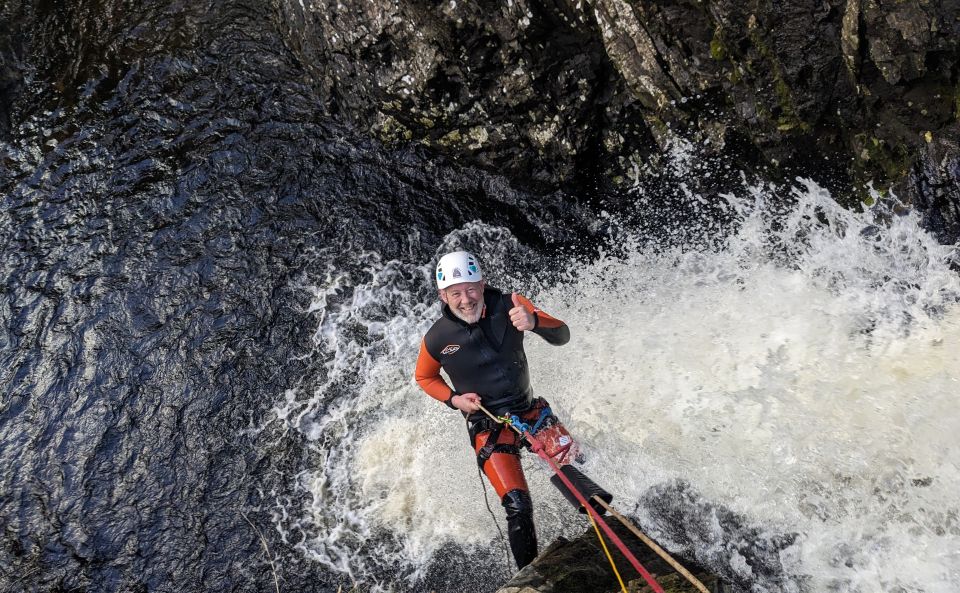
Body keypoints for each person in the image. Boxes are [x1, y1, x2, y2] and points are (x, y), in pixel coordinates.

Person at [413, 250, 579, 569]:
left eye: (472, 289)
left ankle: (612, 524)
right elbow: (424, 376)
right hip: (489, 427)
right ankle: (529, 579)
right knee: (518, 505)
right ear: (442, 295)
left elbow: (563, 335)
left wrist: (534, 322)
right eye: (456, 293)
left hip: (532, 413)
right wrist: (454, 399)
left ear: (482, 283)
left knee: (579, 467)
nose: (466, 299)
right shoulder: (437, 338)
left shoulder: (510, 306)